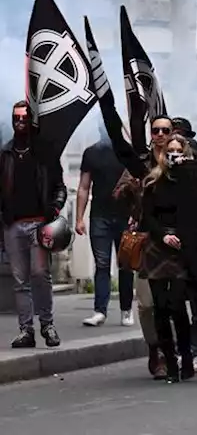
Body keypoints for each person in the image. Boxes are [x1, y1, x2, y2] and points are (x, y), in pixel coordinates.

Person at [1, 101, 66, 348]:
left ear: (31, 121)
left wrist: (54, 208)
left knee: (40, 274)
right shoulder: (5, 154)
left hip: (39, 224)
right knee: (20, 281)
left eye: (24, 118)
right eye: (16, 118)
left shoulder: (44, 152)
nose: (20, 122)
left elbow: (59, 186)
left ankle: (47, 325)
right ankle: (25, 330)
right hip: (13, 225)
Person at [139, 134, 196, 383]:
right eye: (169, 150)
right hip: (157, 246)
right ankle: (170, 362)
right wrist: (163, 236)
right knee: (160, 307)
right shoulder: (153, 181)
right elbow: (148, 217)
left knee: (176, 305)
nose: (173, 154)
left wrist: (181, 236)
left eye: (178, 149)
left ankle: (187, 356)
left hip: (182, 247)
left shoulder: (191, 181)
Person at [75, 125, 135, 327]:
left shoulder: (128, 152)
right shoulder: (91, 153)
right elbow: (84, 187)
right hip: (100, 216)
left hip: (125, 217)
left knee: (126, 265)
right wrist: (79, 218)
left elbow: (139, 182)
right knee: (102, 265)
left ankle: (126, 310)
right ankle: (99, 311)